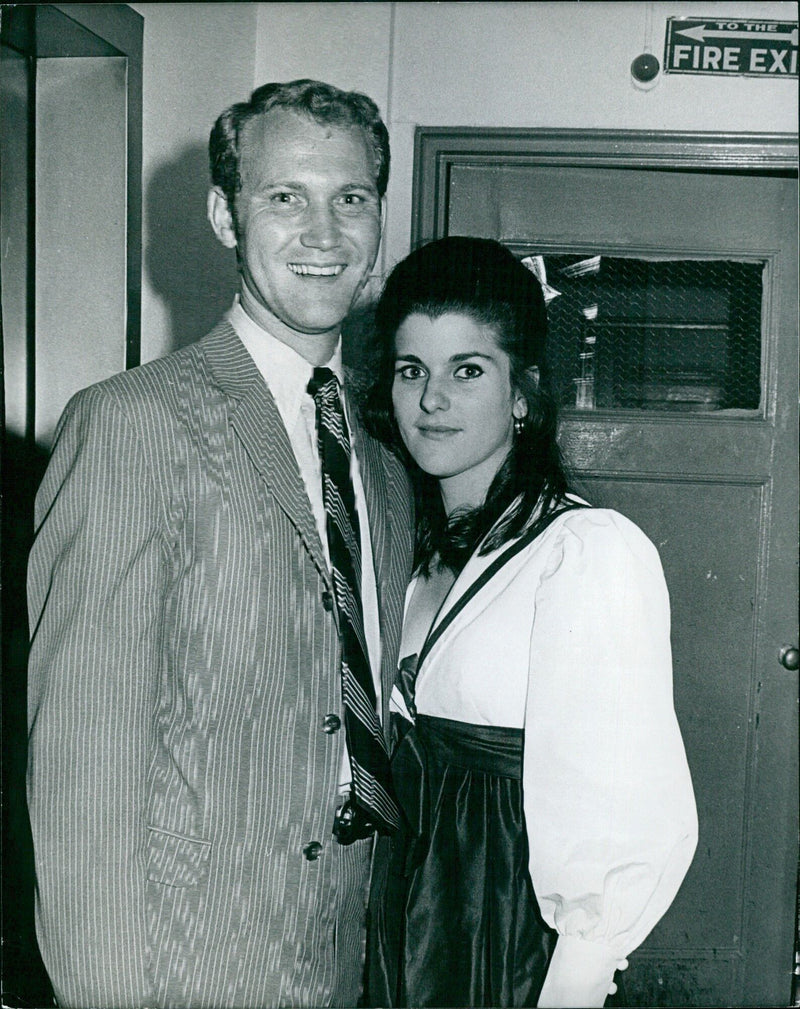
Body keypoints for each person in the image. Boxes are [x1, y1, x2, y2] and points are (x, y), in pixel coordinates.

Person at [26, 80, 413, 1009]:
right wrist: (108, 992)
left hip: (336, 962)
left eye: (350, 198)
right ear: (224, 216)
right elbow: (81, 760)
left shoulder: (384, 467)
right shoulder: (131, 424)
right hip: (179, 966)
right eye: (285, 197)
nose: (324, 233)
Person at [362, 236, 698, 1008]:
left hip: (506, 933)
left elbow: (621, 805)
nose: (432, 399)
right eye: (412, 370)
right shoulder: (410, 554)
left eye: (467, 370)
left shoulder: (583, 554)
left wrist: (574, 983)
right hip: (407, 916)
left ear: (522, 394)